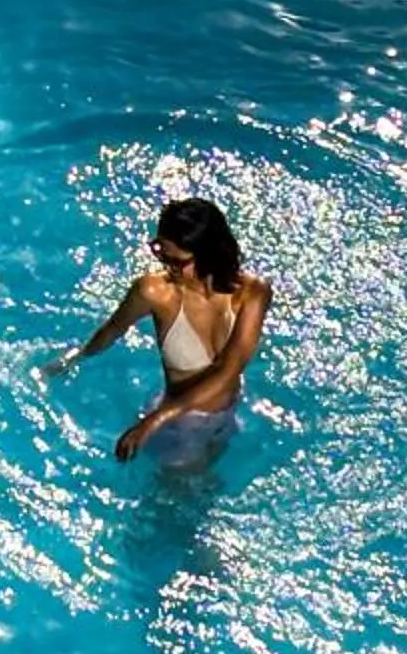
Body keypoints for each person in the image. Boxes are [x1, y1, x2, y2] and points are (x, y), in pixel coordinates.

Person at [51, 198, 274, 465]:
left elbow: (229, 369)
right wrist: (76, 357)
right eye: (160, 253)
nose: (168, 267)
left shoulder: (252, 292)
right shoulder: (155, 293)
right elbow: (112, 331)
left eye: (176, 261)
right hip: (180, 424)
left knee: (207, 489)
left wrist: (153, 421)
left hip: (216, 413)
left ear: (207, 254)